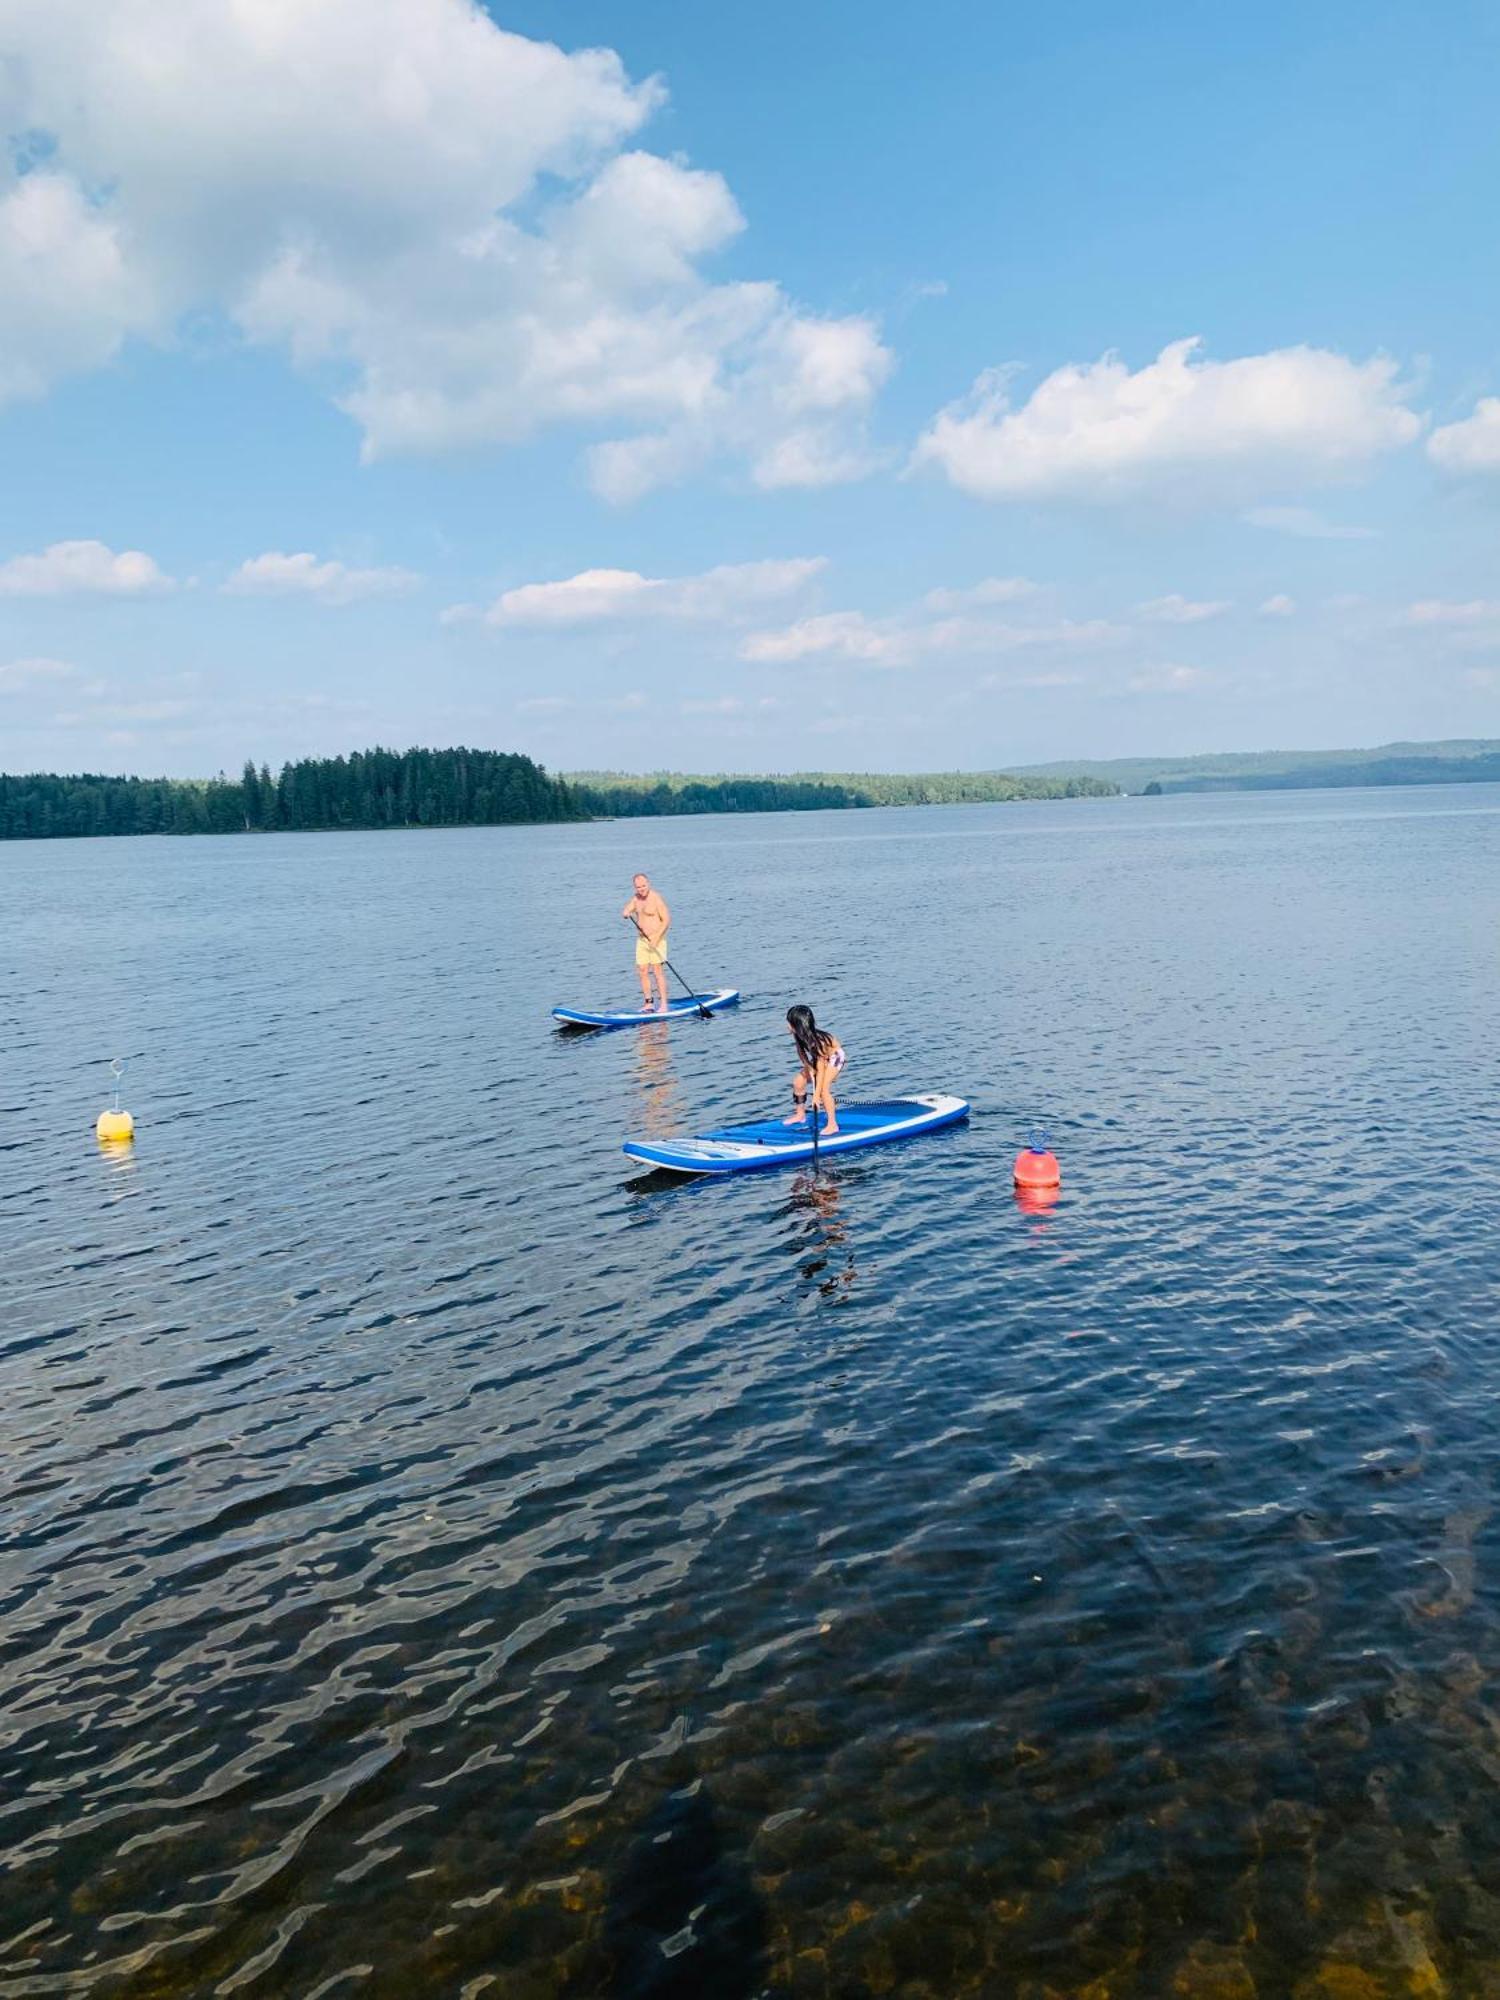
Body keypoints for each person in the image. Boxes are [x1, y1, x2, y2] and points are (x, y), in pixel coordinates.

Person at [784, 1003, 846, 1136]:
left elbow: (821, 1069)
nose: (787, 1025)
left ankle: (832, 1124)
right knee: (798, 1082)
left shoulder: (817, 1042)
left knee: (823, 1090)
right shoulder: (798, 1035)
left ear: (797, 1025)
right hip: (820, 1059)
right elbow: (801, 1053)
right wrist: (808, 1067)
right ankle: (800, 1115)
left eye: (789, 1023)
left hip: (834, 1057)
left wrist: (816, 1097)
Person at [621, 873, 671, 1013]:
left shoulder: (656, 898)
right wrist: (626, 913)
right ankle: (649, 1003)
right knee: (642, 970)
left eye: (643, 886)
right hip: (642, 940)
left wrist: (657, 938)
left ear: (648, 884)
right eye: (638, 887)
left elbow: (666, 920)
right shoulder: (636, 898)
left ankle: (664, 1005)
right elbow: (627, 910)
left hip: (657, 939)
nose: (641, 889)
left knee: (657, 971)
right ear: (635, 887)